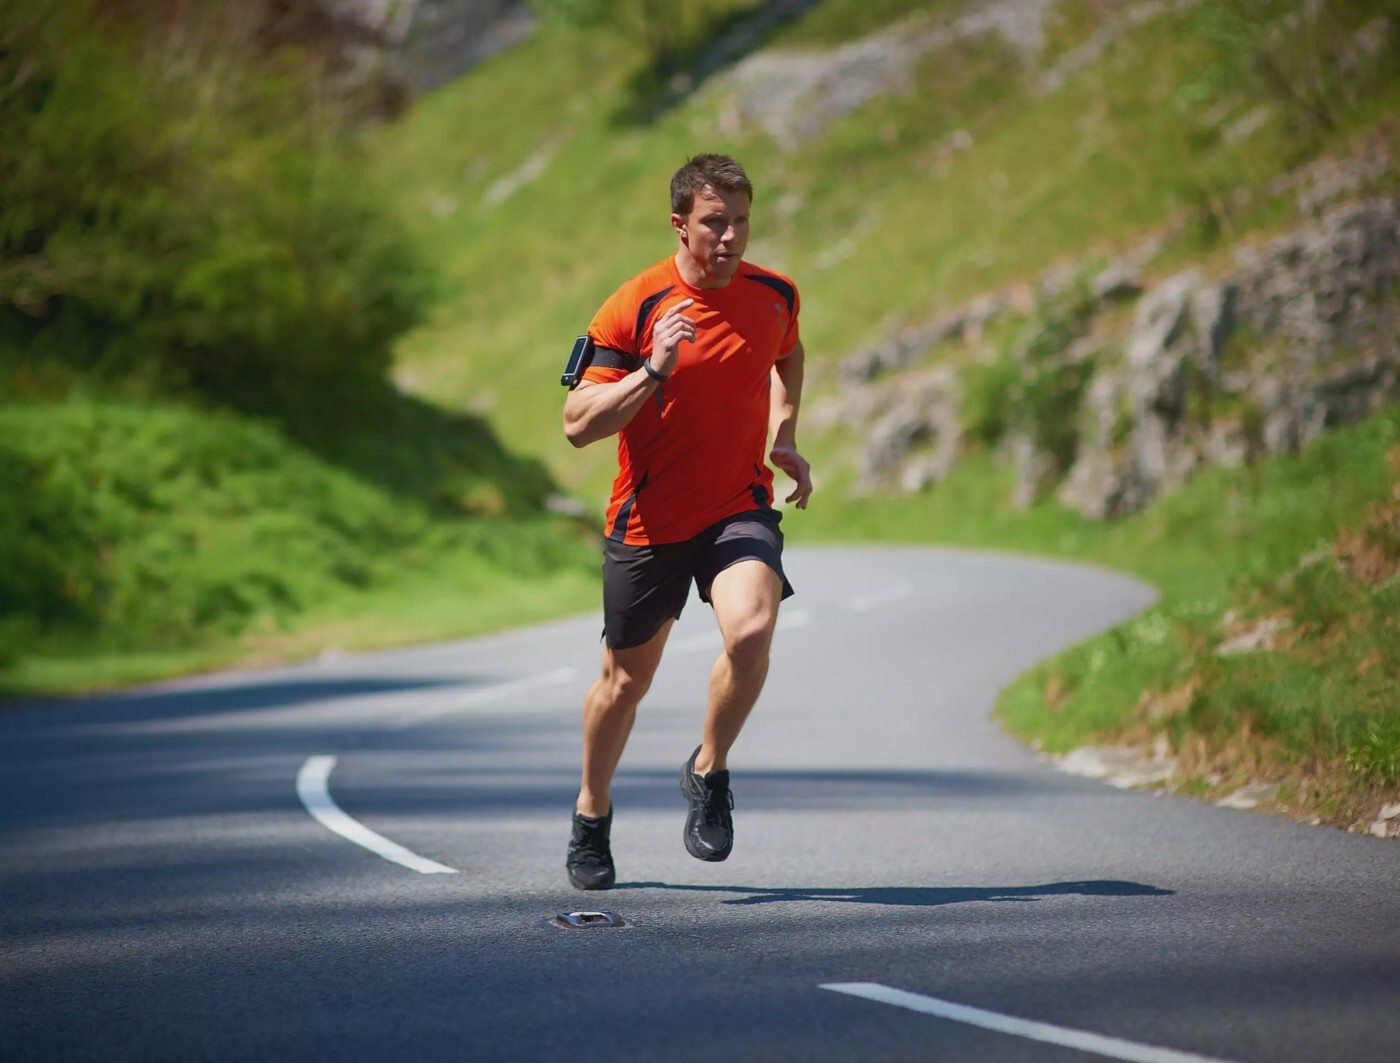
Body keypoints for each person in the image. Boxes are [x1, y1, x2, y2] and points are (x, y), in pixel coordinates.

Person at [561, 153, 813, 891]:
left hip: (738, 504)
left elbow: (789, 353)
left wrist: (785, 434)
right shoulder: (634, 306)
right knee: (623, 684)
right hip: (649, 521)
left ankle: (709, 770)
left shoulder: (774, 294)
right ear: (680, 224)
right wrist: (654, 368)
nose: (729, 236)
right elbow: (577, 425)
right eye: (714, 222)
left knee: (752, 630)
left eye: (741, 221)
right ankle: (591, 810)